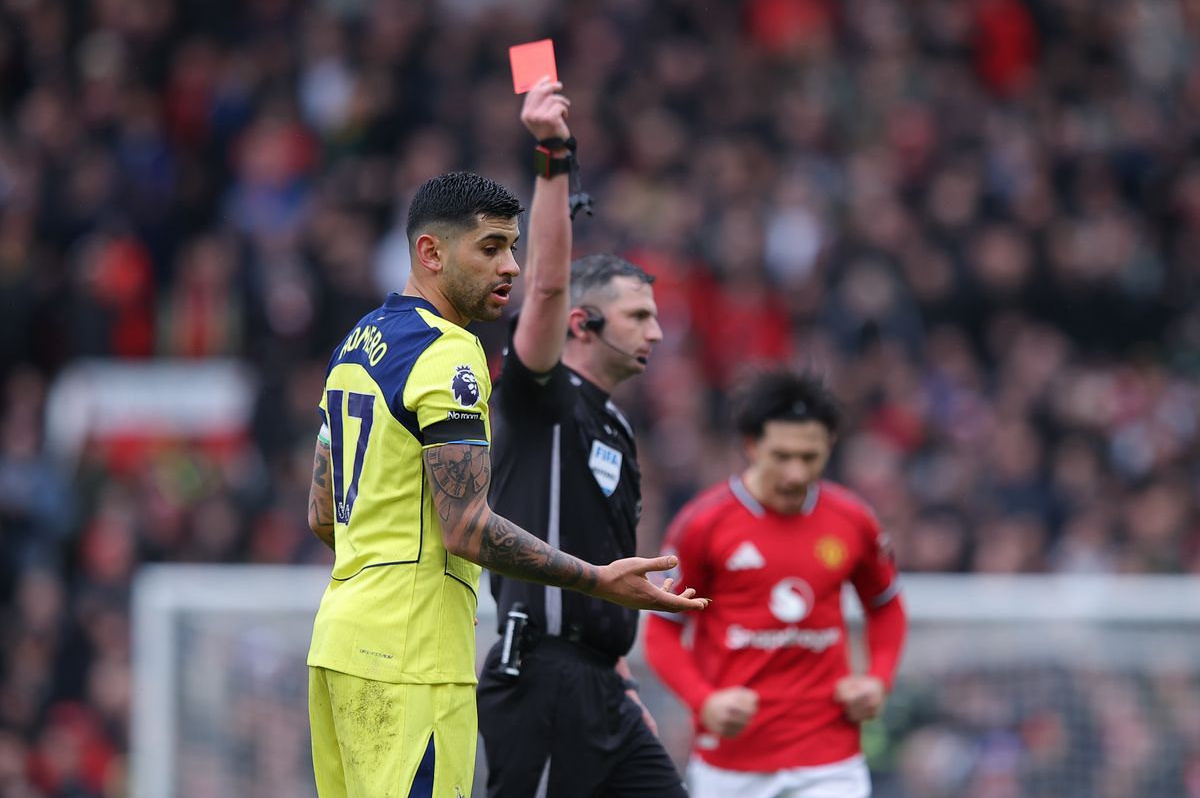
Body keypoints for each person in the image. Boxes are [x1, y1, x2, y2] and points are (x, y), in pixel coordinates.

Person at [304, 169, 708, 798]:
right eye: (490, 247)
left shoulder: (354, 346)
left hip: (339, 645)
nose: (511, 266)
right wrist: (597, 578)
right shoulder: (448, 353)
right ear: (430, 253)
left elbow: (323, 514)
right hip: (411, 658)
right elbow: (465, 528)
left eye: (513, 248)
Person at [476, 79, 688, 798]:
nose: (657, 332)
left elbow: (606, 572)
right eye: (638, 315)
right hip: (540, 678)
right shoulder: (540, 396)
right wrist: (553, 153)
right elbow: (541, 287)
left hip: (603, 685)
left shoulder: (617, 426)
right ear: (580, 324)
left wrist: (624, 688)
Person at [643, 370, 908, 798]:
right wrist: (704, 700)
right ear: (751, 445)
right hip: (732, 763)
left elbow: (886, 607)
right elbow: (661, 629)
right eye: (781, 455)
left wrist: (878, 680)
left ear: (830, 447)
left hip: (830, 761)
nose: (794, 472)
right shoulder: (703, 524)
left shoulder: (853, 521)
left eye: (809, 457)